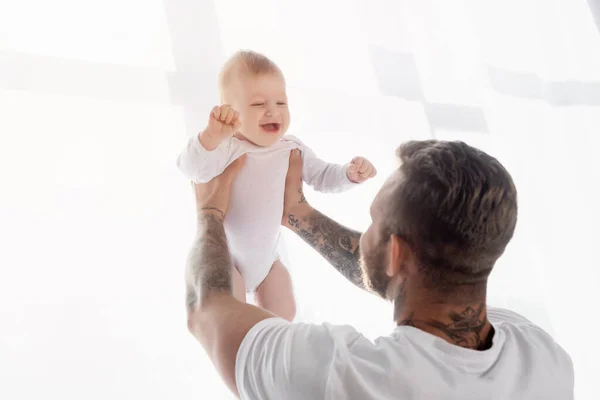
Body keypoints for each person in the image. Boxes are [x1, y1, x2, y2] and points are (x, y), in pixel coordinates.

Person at [185, 141, 574, 399]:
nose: (368, 232)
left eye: (373, 222)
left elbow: (209, 309)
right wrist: (299, 216)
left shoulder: (347, 377)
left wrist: (209, 212)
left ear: (396, 254)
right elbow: (416, 275)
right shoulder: (544, 355)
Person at [177, 50, 376, 321]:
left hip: (268, 261)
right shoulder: (227, 147)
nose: (273, 111)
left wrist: (349, 175)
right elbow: (190, 167)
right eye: (258, 104)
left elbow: (323, 177)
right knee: (234, 319)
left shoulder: (291, 147)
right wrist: (211, 136)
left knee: (285, 315)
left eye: (281, 102)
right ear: (229, 111)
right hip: (227, 258)